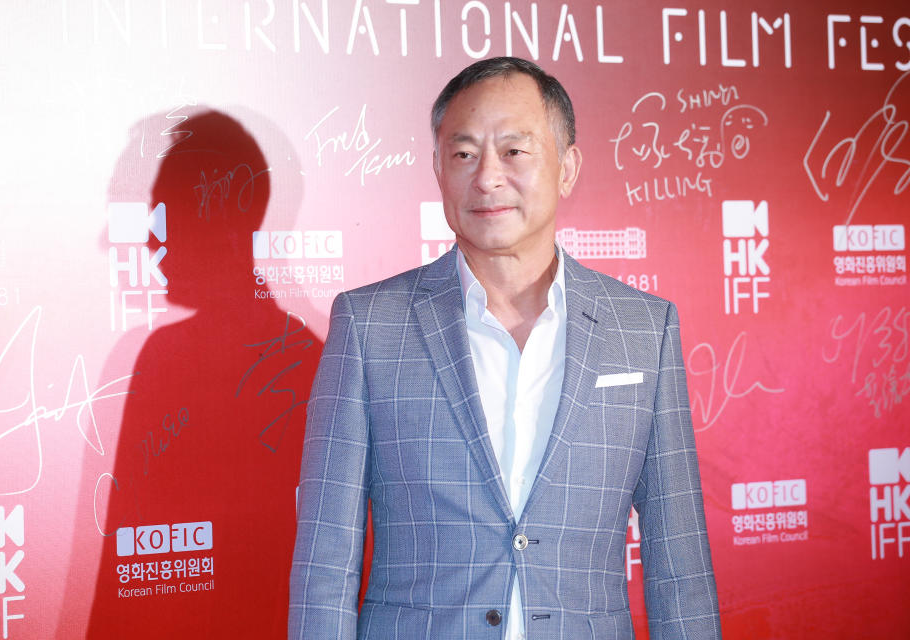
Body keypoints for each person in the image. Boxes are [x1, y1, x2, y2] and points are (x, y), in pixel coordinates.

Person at [289, 57, 721, 639]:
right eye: (464, 154)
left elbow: (679, 561)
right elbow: (326, 557)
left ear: (567, 167)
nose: (487, 177)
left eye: (514, 151)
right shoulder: (371, 327)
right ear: (438, 170)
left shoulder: (643, 330)